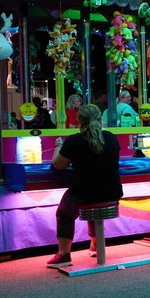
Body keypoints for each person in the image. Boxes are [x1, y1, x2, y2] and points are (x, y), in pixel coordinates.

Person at [47, 104, 124, 268]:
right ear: (100, 119)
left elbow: (58, 165)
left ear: (78, 121)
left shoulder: (74, 140)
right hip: (112, 192)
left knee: (64, 213)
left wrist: (58, 147)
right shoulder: (111, 137)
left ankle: (63, 255)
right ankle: (95, 245)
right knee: (93, 206)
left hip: (84, 192)